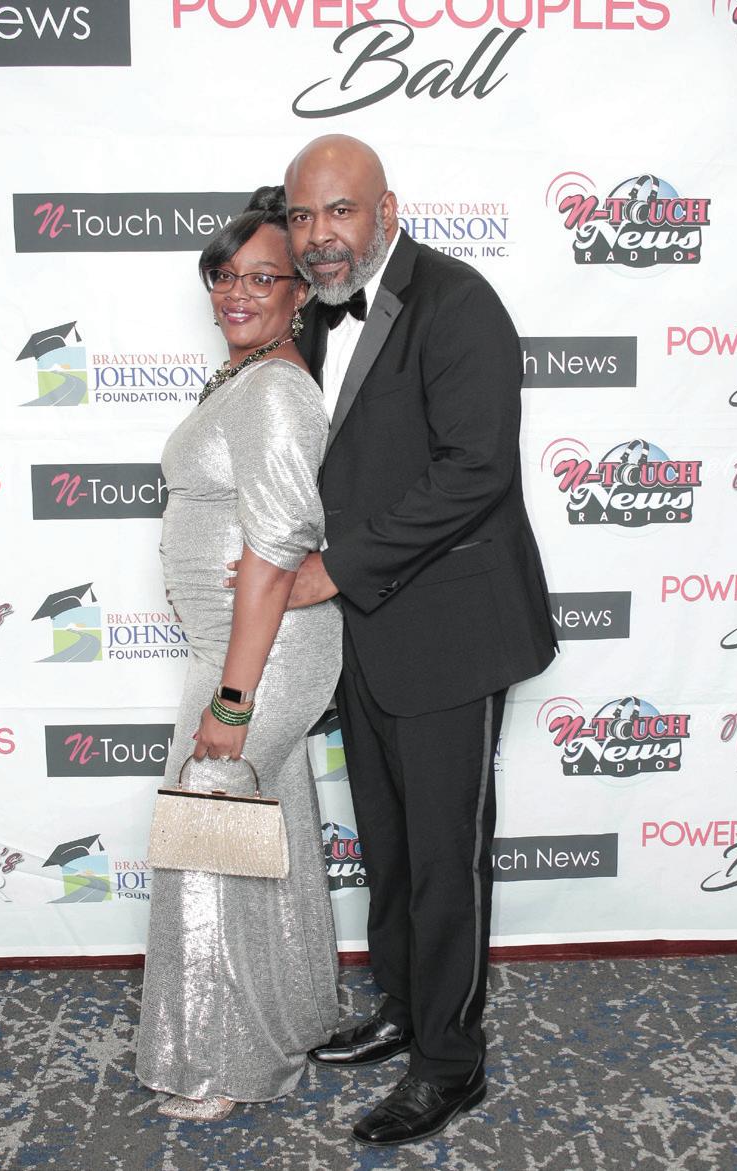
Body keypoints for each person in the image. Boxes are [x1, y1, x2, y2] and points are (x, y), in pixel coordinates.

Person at [283, 135, 558, 1147]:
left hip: (449, 628)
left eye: (339, 211)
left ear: (386, 210)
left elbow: (475, 467)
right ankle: (401, 1007)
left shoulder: (457, 301)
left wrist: (337, 568)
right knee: (390, 846)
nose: (319, 235)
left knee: (445, 857)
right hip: (364, 633)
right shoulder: (313, 313)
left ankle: (449, 1061)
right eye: (302, 215)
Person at [136, 187, 342, 1121]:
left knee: (206, 833)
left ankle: (223, 1062)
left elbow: (278, 544)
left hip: (260, 653)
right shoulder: (247, 376)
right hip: (238, 646)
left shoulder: (276, 390)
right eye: (224, 275)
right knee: (262, 829)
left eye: (263, 278)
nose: (236, 292)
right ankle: (290, 1018)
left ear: (300, 292)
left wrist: (231, 701)